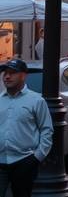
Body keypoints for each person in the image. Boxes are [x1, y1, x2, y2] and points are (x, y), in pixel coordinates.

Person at [0, 59, 52, 197]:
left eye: (12, 73)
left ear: (23, 75)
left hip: (24, 161)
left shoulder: (36, 100)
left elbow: (46, 130)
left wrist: (37, 157)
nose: (7, 76)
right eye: (5, 73)